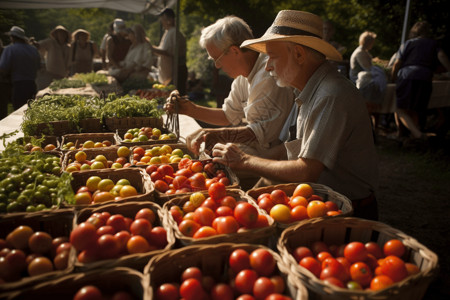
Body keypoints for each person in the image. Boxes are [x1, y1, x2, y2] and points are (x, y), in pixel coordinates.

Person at [211, 10, 379, 220]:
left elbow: (306, 171)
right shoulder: (309, 90)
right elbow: (292, 149)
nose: (268, 66)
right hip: (317, 204)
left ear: (299, 54)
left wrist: (244, 160)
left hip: (346, 214)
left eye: (272, 56)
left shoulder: (330, 95)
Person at [165, 16, 294, 161]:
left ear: (235, 51)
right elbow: (228, 116)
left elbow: (260, 134)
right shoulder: (243, 75)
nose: (217, 66)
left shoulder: (267, 74)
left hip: (279, 155)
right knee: (212, 154)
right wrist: (190, 110)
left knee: (215, 159)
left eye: (217, 59)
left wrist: (218, 135)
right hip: (262, 148)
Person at [391, 21, 441, 140]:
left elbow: (397, 63)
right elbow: (442, 57)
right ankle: (414, 135)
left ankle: (417, 134)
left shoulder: (408, 43)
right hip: (425, 76)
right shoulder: (434, 44)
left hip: (407, 76)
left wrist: (393, 78)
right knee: (416, 109)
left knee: (399, 109)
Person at [349, 31, 387, 131]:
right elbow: (368, 68)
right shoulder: (360, 52)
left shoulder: (364, 52)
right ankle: (370, 127)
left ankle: (374, 128)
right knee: (376, 89)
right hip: (359, 81)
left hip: (365, 79)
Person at [0, 26, 40, 111]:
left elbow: (3, 68)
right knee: (31, 111)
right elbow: (39, 66)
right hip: (32, 84)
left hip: (18, 85)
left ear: (13, 37)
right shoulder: (33, 49)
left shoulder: (9, 49)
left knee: (19, 111)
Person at [151, 8, 188, 94]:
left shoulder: (174, 32)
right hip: (172, 73)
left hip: (177, 71)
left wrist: (151, 47)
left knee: (177, 98)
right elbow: (162, 50)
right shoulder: (168, 32)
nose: (161, 22)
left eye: (163, 20)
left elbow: (169, 52)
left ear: (170, 20)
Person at [31, 25, 71, 89]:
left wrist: (68, 72)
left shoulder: (68, 47)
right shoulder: (50, 42)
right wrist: (34, 43)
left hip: (62, 74)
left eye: (63, 33)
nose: (61, 35)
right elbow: (39, 46)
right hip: (50, 73)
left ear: (66, 35)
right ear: (56, 35)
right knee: (49, 89)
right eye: (59, 33)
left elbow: (69, 61)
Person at [0, 39, 12, 119]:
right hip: (4, 82)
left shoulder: (5, 51)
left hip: (4, 82)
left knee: (2, 106)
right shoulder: (5, 50)